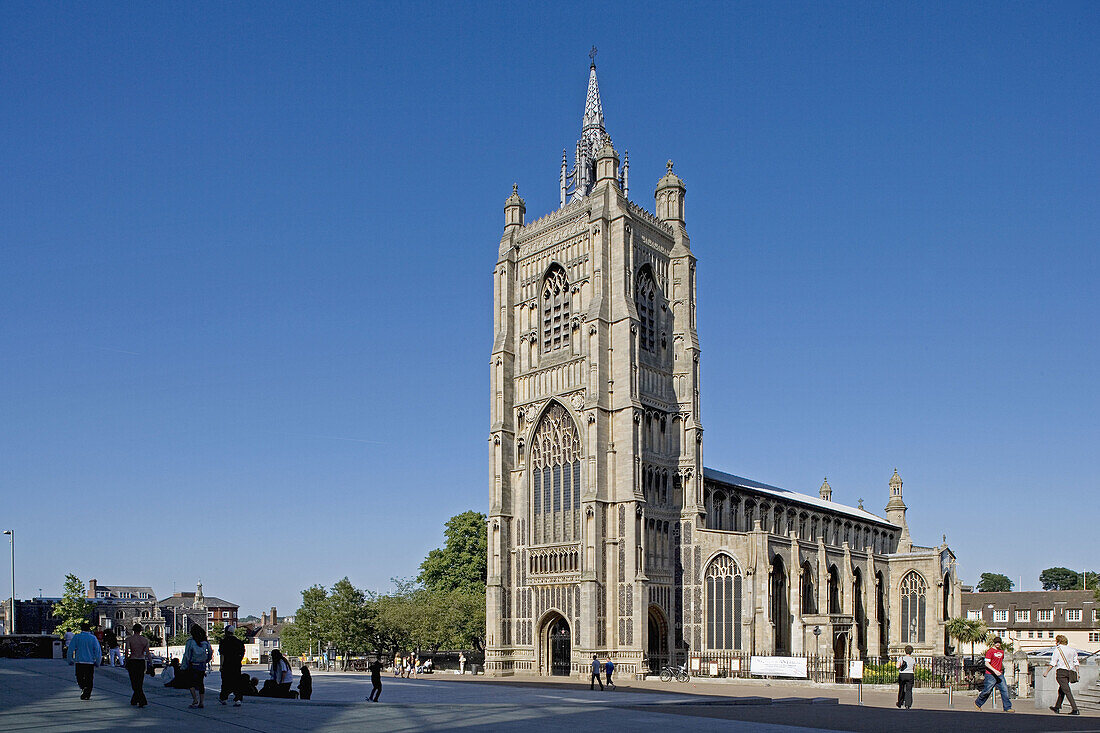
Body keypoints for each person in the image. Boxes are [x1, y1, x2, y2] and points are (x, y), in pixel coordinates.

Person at [974, 636, 1014, 712]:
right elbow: (987, 663)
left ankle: (1007, 707)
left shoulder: (1002, 652)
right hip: (990, 674)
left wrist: (1000, 670)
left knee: (1004, 690)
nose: (997, 644)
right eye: (996, 642)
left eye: (999, 642)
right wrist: (994, 670)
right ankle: (978, 703)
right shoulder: (990, 651)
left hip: (999, 674)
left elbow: (1000, 662)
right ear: (994, 643)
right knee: (987, 690)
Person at [1045, 634, 1081, 715]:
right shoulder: (1072, 650)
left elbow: (1053, 662)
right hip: (1070, 672)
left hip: (1061, 672)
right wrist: (1077, 673)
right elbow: (1076, 662)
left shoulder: (1057, 650)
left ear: (1058, 641)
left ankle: (1075, 709)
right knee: (1062, 689)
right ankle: (1057, 707)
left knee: (1066, 690)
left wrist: (1046, 672)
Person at [181, 623, 213, 709]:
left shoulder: (190, 642)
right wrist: (207, 660)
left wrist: (184, 666)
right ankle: (201, 702)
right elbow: (210, 652)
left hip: (192, 664)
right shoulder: (205, 642)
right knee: (201, 683)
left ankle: (195, 699)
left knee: (191, 683)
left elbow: (187, 655)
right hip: (202, 665)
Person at [68, 621, 102, 700]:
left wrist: (70, 660)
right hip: (89, 662)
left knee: (79, 677)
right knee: (89, 678)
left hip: (79, 661)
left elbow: (71, 649)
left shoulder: (77, 637)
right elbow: (97, 651)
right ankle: (87, 692)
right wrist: (98, 662)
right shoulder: (93, 638)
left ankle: (83, 688)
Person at [123, 623, 151, 707]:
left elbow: (127, 652)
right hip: (141, 661)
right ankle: (135, 700)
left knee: (134, 681)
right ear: (141, 630)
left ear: (133, 630)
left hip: (133, 660)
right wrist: (151, 663)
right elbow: (147, 653)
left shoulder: (129, 639)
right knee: (139, 681)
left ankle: (141, 700)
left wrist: (126, 661)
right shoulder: (145, 640)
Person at [218, 625, 246, 707]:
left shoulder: (223, 642)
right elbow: (242, 654)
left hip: (227, 665)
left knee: (225, 682)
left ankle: (224, 698)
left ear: (226, 632)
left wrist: (221, 665)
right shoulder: (239, 642)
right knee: (237, 682)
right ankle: (238, 699)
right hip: (236, 665)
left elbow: (222, 655)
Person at [896, 644, 916, 709]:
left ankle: (900, 702)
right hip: (910, 674)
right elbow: (914, 669)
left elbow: (897, 666)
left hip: (902, 674)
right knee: (909, 690)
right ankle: (908, 704)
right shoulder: (913, 659)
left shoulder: (901, 658)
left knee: (901, 689)